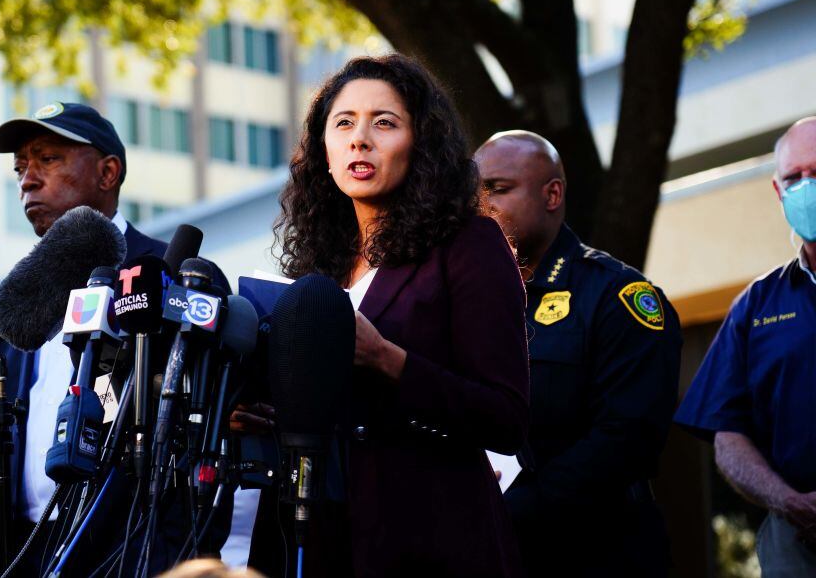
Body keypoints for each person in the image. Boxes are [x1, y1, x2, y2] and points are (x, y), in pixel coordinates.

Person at [270, 54, 530, 577]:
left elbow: (505, 417)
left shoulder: (470, 245)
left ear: (421, 146)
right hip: (323, 534)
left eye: (383, 123)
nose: (359, 139)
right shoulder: (318, 268)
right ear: (324, 150)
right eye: (343, 123)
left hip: (431, 536)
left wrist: (387, 359)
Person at [0, 101, 230, 576]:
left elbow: (205, 446)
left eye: (48, 159)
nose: (28, 178)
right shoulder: (21, 293)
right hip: (29, 552)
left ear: (108, 172)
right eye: (21, 167)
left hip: (132, 551)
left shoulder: (171, 275)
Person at [473, 131, 682, 577]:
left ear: (552, 194)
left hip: (601, 552)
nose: (480, 205)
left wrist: (516, 506)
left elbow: (628, 438)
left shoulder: (617, 295)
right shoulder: (473, 302)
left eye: (498, 189)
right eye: (474, 192)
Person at [675, 117, 816, 577]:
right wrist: (789, 501)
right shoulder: (756, 306)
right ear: (778, 193)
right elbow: (727, 436)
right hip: (796, 540)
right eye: (794, 178)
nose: (806, 187)